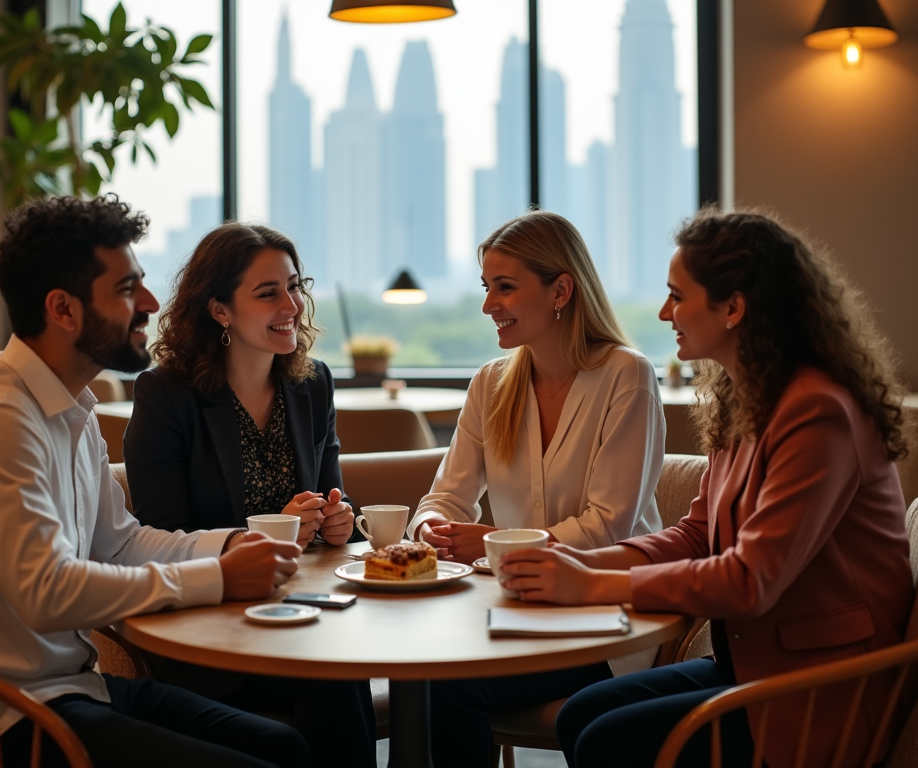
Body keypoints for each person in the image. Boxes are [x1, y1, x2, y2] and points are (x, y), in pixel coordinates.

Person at [499, 208, 915, 768]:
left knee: (606, 739)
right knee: (582, 716)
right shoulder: (748, 398)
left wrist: (591, 588)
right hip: (755, 657)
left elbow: (749, 580)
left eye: (677, 296)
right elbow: (697, 535)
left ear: (733, 308)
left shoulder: (819, 412)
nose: (665, 312)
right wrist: (578, 564)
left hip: (821, 683)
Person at [0, 195, 311, 768]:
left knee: (286, 745)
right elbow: (48, 592)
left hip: (80, 688)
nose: (150, 303)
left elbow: (119, 543)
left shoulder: (70, 408)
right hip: (9, 720)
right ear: (63, 309)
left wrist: (228, 545)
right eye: (127, 290)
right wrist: (215, 577)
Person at [407, 210, 666, 768]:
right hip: (513, 610)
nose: (487, 305)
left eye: (505, 287)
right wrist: (428, 529)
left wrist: (493, 543)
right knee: (425, 668)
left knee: (449, 684)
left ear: (561, 290)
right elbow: (445, 498)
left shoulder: (628, 376)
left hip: (606, 621)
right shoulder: (491, 383)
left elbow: (607, 526)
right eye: (486, 287)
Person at [123, 222, 376, 768]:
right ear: (219, 311)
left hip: (306, 616)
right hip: (215, 636)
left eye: (295, 285)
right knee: (334, 679)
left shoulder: (312, 384)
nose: (292, 304)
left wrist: (339, 523)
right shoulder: (167, 395)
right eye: (269, 293)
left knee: (346, 670)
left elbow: (339, 509)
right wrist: (268, 532)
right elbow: (158, 537)